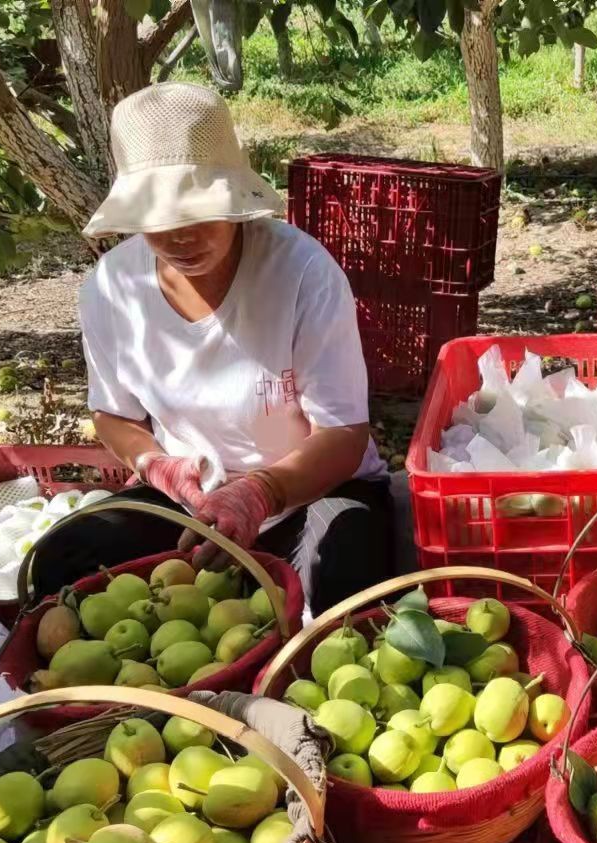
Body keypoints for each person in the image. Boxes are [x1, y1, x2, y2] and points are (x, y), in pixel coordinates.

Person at [36, 82, 393, 614]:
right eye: (160, 220)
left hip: (308, 492)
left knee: (343, 568)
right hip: (190, 504)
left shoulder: (301, 272)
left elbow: (342, 434)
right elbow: (113, 415)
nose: (181, 236)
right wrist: (156, 465)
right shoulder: (113, 287)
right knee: (63, 559)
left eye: (199, 211)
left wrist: (261, 493)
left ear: (233, 200)